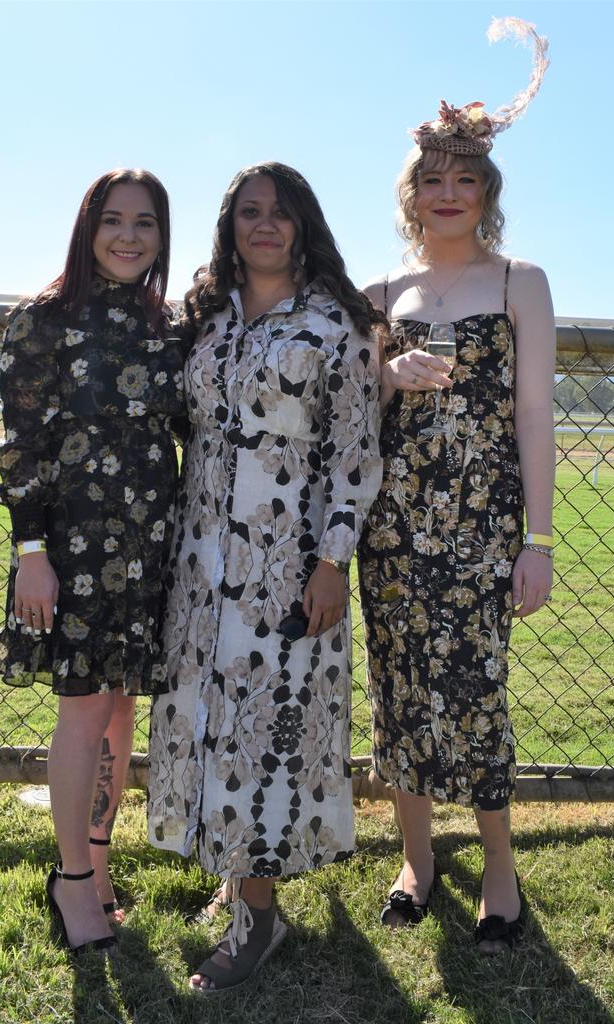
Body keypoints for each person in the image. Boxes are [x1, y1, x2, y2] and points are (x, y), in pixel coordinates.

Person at [146, 162, 384, 992]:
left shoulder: (335, 323)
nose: (265, 225)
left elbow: (357, 454)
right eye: (249, 211)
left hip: (286, 566)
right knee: (208, 717)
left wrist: (331, 562)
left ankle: (260, 918)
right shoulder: (206, 317)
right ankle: (233, 880)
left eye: (281, 213)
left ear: (304, 224)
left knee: (263, 726)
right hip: (200, 560)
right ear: (230, 225)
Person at [358, 18, 555, 954]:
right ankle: (416, 860)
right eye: (431, 180)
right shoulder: (381, 287)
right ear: (412, 192)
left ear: (487, 190)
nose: (447, 194)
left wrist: (538, 539)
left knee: (476, 691)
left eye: (463, 178)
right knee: (399, 688)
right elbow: (348, 395)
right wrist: (383, 373)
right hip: (391, 521)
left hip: (482, 524)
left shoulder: (521, 279)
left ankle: (502, 871)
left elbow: (532, 417)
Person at [0, 168, 186, 953]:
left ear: (162, 236)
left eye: (145, 223)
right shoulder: (41, 319)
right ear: (86, 225)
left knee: (121, 704)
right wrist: (30, 553)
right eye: (113, 220)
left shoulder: (163, 324)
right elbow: (20, 447)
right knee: (82, 707)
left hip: (148, 542)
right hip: (70, 546)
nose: (128, 236)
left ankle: (99, 869)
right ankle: (70, 884)